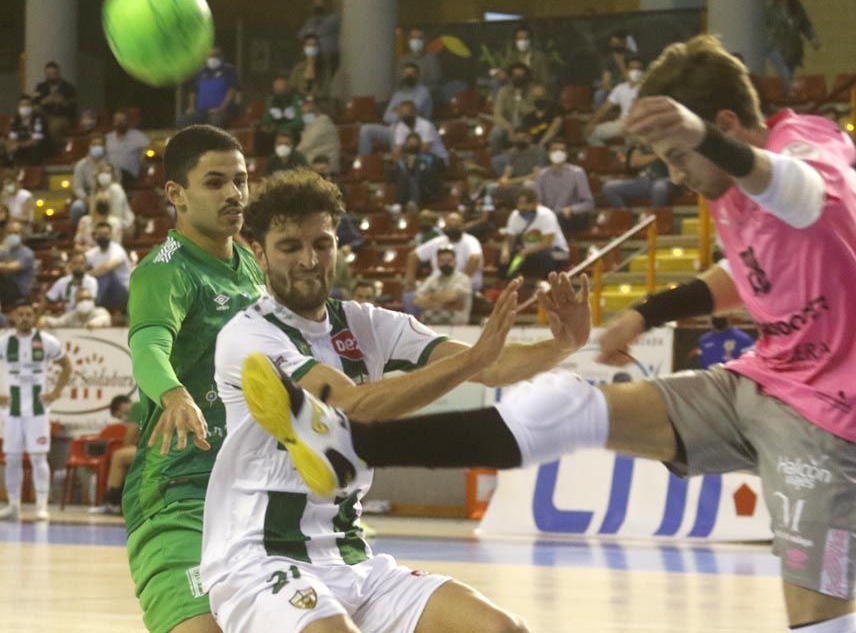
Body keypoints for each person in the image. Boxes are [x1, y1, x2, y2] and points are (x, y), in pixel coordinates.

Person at [270, 34, 856, 633]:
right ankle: (351, 448)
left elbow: (806, 196)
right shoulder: (737, 187)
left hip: (831, 416)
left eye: (680, 156)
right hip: (761, 381)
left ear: (728, 127)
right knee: (565, 403)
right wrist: (649, 312)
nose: (677, 173)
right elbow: (753, 264)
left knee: (823, 622)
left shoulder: (807, 156)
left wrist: (702, 137)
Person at [200, 168, 589, 633]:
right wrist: (474, 361)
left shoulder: (365, 323)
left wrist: (563, 345)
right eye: (290, 247)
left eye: (322, 244)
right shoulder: (248, 334)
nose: (309, 260)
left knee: (504, 629)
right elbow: (349, 405)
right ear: (259, 253)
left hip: (351, 557)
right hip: (259, 560)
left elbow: (495, 366)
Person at [121, 125, 265, 633]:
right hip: (180, 490)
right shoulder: (165, 270)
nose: (234, 193)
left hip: (255, 491)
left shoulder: (250, 264)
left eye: (241, 180)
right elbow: (147, 346)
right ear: (176, 195)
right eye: (215, 182)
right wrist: (174, 392)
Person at [0, 299, 72, 522]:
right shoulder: (4, 342)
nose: (24, 318)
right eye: (20, 314)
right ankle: (13, 505)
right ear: (13, 317)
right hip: (11, 410)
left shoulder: (47, 341)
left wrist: (56, 392)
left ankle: (41, 506)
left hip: (38, 410)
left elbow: (67, 365)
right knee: (11, 458)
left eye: (28, 314)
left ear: (34, 316)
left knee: (38, 457)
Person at [357, 67, 434, 157]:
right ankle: (364, 164)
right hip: (394, 128)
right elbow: (386, 117)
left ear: (418, 75)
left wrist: (397, 110)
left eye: (412, 73)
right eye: (406, 73)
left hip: (416, 130)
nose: (409, 76)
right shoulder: (399, 93)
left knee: (397, 131)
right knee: (365, 129)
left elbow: (409, 114)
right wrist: (401, 113)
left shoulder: (423, 91)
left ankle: (397, 164)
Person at [500, 187, 569, 280]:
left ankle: (547, 285)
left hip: (555, 251)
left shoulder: (546, 215)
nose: (522, 207)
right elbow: (509, 239)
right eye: (519, 203)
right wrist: (505, 251)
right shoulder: (514, 215)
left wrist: (525, 252)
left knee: (542, 258)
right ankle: (509, 286)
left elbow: (547, 243)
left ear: (534, 204)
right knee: (504, 261)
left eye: (526, 203)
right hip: (528, 252)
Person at [407, 212, 483, 292]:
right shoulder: (438, 241)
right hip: (437, 286)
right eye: (450, 226)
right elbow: (413, 256)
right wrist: (410, 282)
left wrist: (460, 281)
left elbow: (475, 258)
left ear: (463, 226)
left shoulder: (470, 241)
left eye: (456, 226)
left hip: (462, 288)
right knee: (410, 296)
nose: (453, 229)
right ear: (445, 227)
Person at [88, 395, 138, 515]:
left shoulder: (136, 407)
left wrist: (129, 444)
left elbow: (129, 438)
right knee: (123, 458)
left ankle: (112, 503)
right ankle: (121, 500)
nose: (123, 419)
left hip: (155, 448)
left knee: (118, 456)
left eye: (120, 416)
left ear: (121, 406)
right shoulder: (141, 409)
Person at [765, 0, 820, 94]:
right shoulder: (770, 6)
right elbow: (763, 26)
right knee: (785, 73)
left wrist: (813, 39)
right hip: (776, 46)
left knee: (790, 75)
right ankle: (789, 94)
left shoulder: (796, 6)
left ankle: (787, 97)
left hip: (793, 48)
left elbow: (805, 24)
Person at [535, 139, 595, 233]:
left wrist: (571, 209)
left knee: (559, 218)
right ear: (548, 153)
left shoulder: (577, 173)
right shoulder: (542, 175)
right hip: (548, 216)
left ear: (566, 154)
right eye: (554, 150)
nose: (558, 153)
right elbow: (538, 202)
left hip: (570, 217)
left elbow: (589, 203)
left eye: (562, 150)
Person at [586, 56, 644, 146]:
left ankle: (631, 155)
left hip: (641, 125)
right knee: (590, 134)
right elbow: (605, 108)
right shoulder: (620, 88)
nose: (635, 71)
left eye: (638, 69)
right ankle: (607, 157)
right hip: (621, 123)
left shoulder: (648, 88)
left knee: (635, 140)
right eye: (632, 68)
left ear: (643, 71)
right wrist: (592, 122)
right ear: (627, 70)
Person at [177, 47, 240, 128]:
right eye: (210, 56)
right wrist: (191, 107)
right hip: (202, 111)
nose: (212, 59)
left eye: (215, 56)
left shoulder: (228, 70)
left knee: (215, 122)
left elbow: (231, 92)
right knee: (182, 122)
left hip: (222, 111)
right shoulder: (201, 72)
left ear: (222, 57)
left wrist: (221, 108)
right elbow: (193, 92)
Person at [413, 246, 473, 325]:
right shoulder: (432, 280)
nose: (446, 264)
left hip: (456, 325)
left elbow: (451, 296)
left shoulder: (463, 279)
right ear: (437, 262)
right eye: (442, 260)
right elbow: (417, 301)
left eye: (449, 260)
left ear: (455, 261)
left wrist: (430, 297)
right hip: (431, 325)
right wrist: (446, 304)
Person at [70, 136, 121, 227]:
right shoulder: (81, 165)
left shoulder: (112, 163)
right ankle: (78, 231)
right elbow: (78, 187)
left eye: (99, 144)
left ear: (104, 147)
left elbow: (117, 182)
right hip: (88, 197)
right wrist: (87, 199)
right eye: (94, 144)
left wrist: (105, 196)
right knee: (77, 207)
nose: (97, 147)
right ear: (89, 147)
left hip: (109, 195)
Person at [602, 145, 671, 208]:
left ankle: (655, 216)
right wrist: (656, 156)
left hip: (663, 181)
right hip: (642, 183)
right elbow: (634, 163)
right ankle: (624, 216)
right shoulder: (639, 147)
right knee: (609, 187)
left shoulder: (668, 144)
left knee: (659, 188)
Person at [490, 63, 537, 154]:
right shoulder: (503, 91)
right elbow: (497, 115)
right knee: (496, 132)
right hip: (507, 126)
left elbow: (531, 112)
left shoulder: (532, 92)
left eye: (521, 76)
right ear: (511, 77)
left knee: (520, 122)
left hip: (526, 126)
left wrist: (518, 98)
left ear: (526, 77)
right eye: (515, 75)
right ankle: (495, 157)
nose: (518, 78)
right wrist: (508, 127)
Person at [254, 76, 304, 158]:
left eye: (282, 89)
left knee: (286, 134)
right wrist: (263, 125)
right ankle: (263, 160)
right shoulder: (271, 100)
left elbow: (299, 122)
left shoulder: (296, 99)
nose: (279, 91)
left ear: (288, 88)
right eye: (276, 89)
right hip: (275, 129)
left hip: (293, 130)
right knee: (260, 133)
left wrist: (279, 127)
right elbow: (266, 118)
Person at [85, 222, 132, 308]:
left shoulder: (117, 250)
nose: (102, 237)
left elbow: (106, 268)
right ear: (95, 236)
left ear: (111, 235)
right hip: (105, 292)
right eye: (100, 234)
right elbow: (76, 262)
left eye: (105, 234)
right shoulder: (92, 253)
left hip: (124, 292)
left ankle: (93, 305)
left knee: (107, 275)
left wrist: (86, 275)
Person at [392, 132, 444, 207]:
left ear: (419, 145)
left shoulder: (429, 159)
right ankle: (402, 204)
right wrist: (409, 167)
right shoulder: (401, 162)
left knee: (414, 177)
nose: (412, 146)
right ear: (406, 145)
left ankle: (412, 203)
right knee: (407, 177)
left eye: (415, 144)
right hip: (405, 194)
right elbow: (395, 179)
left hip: (425, 190)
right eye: (410, 144)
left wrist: (417, 166)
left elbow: (434, 175)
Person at [298, 0, 341, 76]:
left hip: (330, 54)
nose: (317, 4)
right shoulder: (311, 21)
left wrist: (312, 31)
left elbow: (325, 28)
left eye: (319, 2)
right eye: (315, 3)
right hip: (316, 57)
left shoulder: (333, 17)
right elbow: (301, 35)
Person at [32, 61, 78, 141]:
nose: (50, 76)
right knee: (35, 113)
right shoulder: (40, 87)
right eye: (48, 74)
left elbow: (74, 107)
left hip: (62, 117)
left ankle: (55, 150)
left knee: (54, 127)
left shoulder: (69, 88)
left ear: (58, 73)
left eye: (53, 73)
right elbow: (34, 103)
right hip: (46, 116)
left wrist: (63, 102)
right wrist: (45, 101)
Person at [105, 110, 150, 186]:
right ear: (113, 122)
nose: (120, 123)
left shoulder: (137, 136)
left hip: (130, 176)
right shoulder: (108, 138)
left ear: (127, 122)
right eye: (118, 120)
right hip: (110, 176)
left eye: (123, 120)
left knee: (118, 173)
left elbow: (149, 149)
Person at [397, 28, 443, 97]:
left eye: (419, 37)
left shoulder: (431, 59)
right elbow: (398, 81)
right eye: (412, 37)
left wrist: (419, 93)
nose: (415, 40)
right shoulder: (403, 59)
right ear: (408, 40)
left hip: (426, 97)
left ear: (424, 40)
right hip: (404, 97)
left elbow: (435, 84)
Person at [7, 94, 52, 165]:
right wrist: (12, 145)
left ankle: (32, 171)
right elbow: (13, 137)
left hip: (40, 146)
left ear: (32, 106)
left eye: (27, 105)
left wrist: (19, 145)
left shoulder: (38, 118)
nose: (24, 108)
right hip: (23, 145)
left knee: (33, 150)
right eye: (22, 105)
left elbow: (36, 141)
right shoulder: (16, 119)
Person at [0, 221, 36, 309]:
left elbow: (9, 268)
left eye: (16, 233)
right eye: (9, 233)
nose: (12, 236)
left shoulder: (27, 253)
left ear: (22, 235)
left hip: (18, 289)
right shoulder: (4, 250)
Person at [38, 287, 111, 329]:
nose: (84, 302)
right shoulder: (71, 316)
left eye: (87, 298)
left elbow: (105, 319)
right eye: (81, 299)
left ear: (93, 300)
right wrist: (45, 319)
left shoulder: (100, 311)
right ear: (75, 302)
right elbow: (57, 322)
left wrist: (92, 324)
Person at [296, 97, 340, 166]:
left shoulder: (322, 125)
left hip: (325, 166)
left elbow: (304, 147)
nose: (306, 115)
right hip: (314, 162)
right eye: (304, 113)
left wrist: (290, 156)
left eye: (310, 112)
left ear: (317, 111)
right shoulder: (311, 124)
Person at [595, 30, 634, 107]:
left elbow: (631, 81)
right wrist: (614, 92)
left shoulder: (633, 57)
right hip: (614, 88)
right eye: (613, 44)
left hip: (628, 86)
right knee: (599, 94)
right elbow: (606, 81)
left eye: (618, 44)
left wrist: (621, 64)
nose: (615, 47)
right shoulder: (609, 59)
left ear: (625, 43)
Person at [290, 34, 332, 101]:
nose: (311, 48)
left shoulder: (324, 68)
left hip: (319, 103)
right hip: (300, 103)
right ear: (304, 47)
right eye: (308, 45)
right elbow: (293, 87)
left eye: (314, 45)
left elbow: (325, 90)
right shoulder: (298, 68)